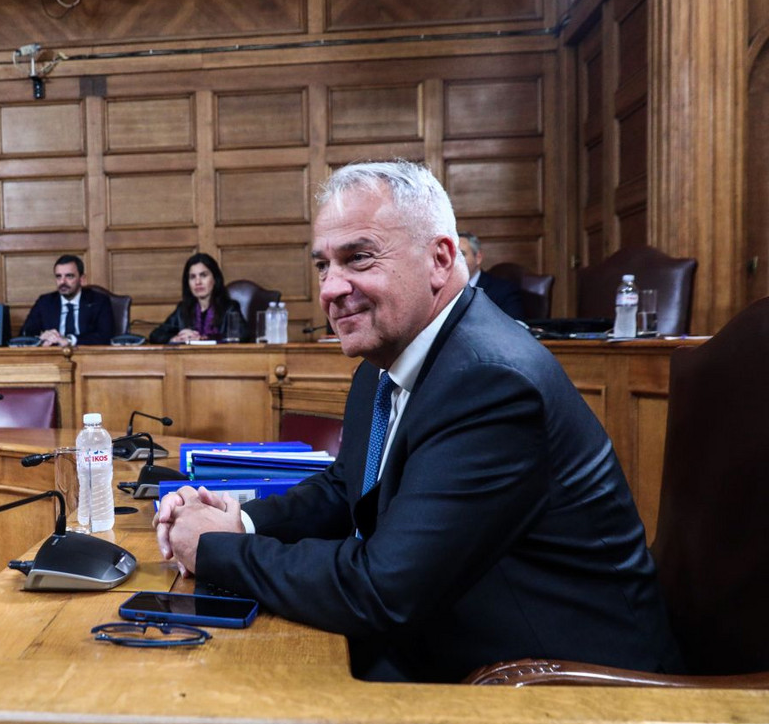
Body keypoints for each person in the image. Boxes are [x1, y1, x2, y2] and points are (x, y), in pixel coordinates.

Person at [155, 161, 681, 683]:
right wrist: (241, 521)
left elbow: (383, 590)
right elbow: (347, 487)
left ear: (439, 259)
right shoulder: (385, 361)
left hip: (569, 685)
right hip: (454, 639)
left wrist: (215, 549)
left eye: (358, 258)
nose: (330, 289)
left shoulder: (490, 380)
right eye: (322, 266)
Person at [149, 253, 248, 343]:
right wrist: (176, 338)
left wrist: (202, 338)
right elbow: (155, 335)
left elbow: (243, 336)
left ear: (215, 279)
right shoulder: (182, 310)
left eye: (203, 275)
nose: (197, 282)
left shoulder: (229, 308)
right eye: (192, 277)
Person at [19, 255, 114, 346]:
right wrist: (41, 338)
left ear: (82, 279)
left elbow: (106, 337)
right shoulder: (45, 302)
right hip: (53, 354)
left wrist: (69, 340)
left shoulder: (99, 301)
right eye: (58, 276)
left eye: (69, 276)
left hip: (87, 354)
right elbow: (24, 335)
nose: (62, 282)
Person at [457, 231, 524, 319]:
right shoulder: (444, 288)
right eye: (452, 255)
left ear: (478, 258)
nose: (455, 260)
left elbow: (513, 324)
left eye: (461, 254)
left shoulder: (503, 290)